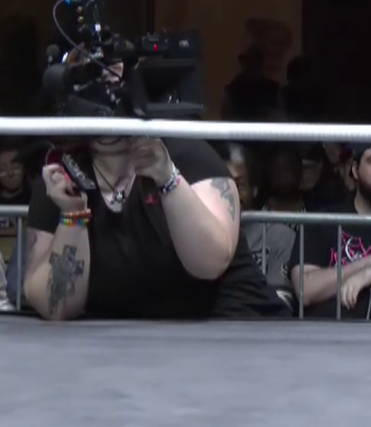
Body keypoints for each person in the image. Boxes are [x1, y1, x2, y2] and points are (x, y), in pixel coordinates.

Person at [25, 133, 283, 320]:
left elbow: (210, 264)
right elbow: (55, 306)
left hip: (230, 324)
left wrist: (167, 177)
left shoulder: (186, 153)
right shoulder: (62, 174)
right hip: (127, 345)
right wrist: (73, 215)